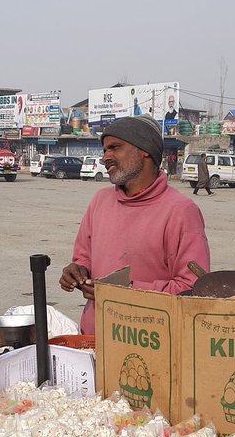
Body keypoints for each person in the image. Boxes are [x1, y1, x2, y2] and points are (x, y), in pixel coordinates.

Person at [60, 116, 210, 335]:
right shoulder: (99, 201)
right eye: (104, 150)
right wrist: (78, 271)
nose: (105, 157)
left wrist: (126, 292)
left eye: (114, 148)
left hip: (148, 344)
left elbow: (193, 290)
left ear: (145, 150)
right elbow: (84, 258)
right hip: (94, 340)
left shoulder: (180, 211)